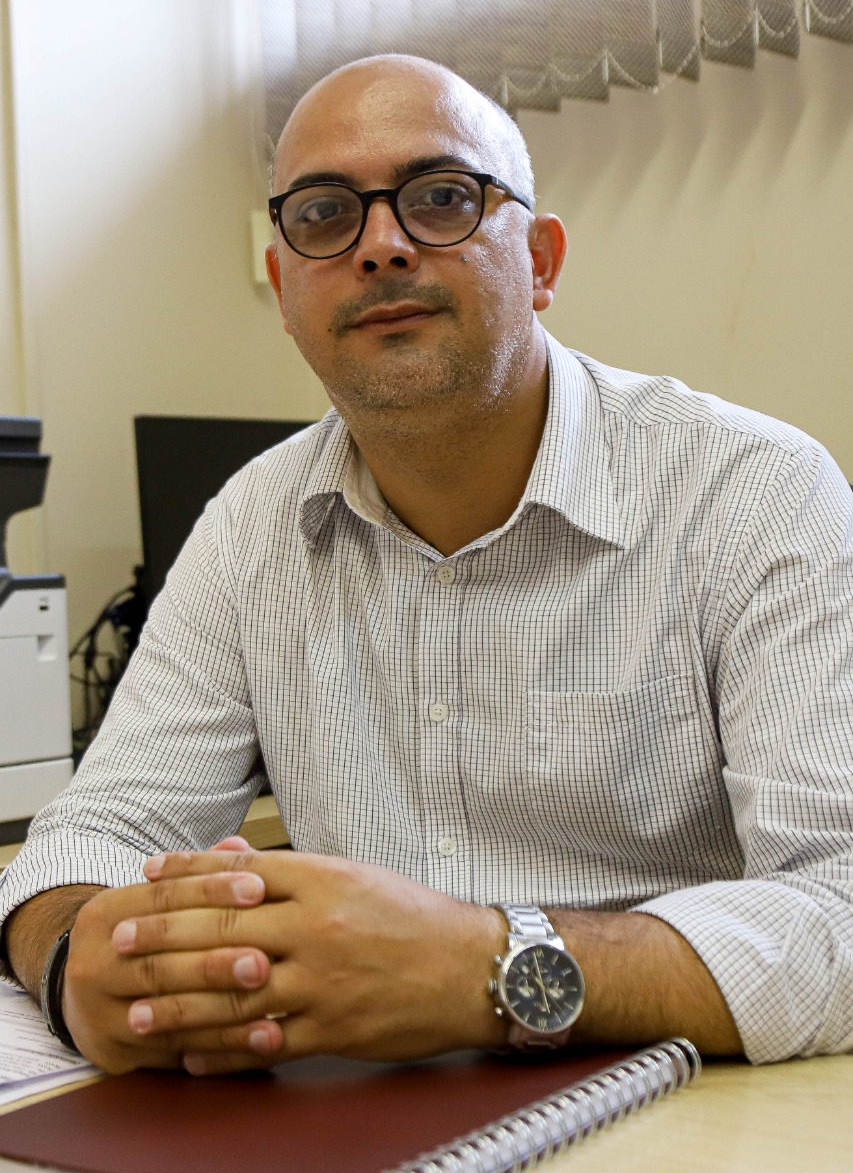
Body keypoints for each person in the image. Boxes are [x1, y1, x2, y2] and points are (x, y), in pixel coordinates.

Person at [2, 55, 852, 1077]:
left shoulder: (755, 493)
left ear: (539, 259)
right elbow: (96, 829)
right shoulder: (251, 525)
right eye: (324, 215)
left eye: (441, 197)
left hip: (685, 1102)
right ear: (285, 289)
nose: (380, 245)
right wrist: (76, 956)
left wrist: (487, 967)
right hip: (359, 1111)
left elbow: (838, 903)